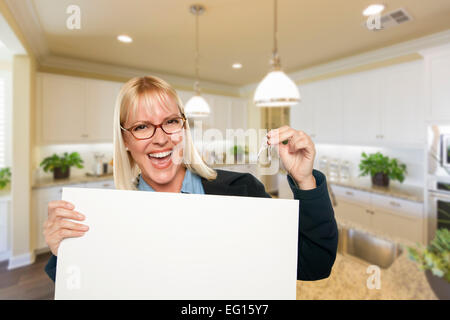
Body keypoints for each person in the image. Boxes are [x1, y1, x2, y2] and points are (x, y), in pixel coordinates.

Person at [43, 76, 338, 283]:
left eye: (171, 122)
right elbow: (86, 286)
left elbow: (315, 263)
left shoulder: (242, 191)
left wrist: (304, 180)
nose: (161, 139)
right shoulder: (106, 217)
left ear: (183, 128)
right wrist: (64, 252)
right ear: (125, 141)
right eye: (142, 126)